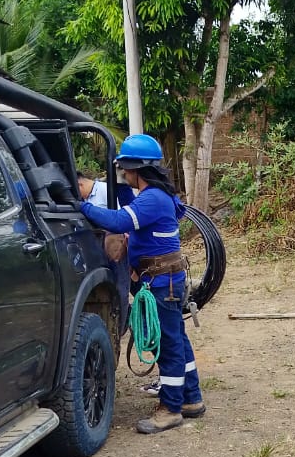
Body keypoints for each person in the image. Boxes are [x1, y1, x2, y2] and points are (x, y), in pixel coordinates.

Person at [80, 133, 204, 434]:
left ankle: (170, 409)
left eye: (125, 169)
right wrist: (122, 189)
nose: (123, 173)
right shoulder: (157, 195)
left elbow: (119, 222)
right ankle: (191, 399)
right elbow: (133, 210)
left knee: (169, 345)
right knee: (177, 339)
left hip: (161, 282)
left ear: (137, 169)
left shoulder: (153, 199)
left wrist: (81, 206)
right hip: (165, 279)